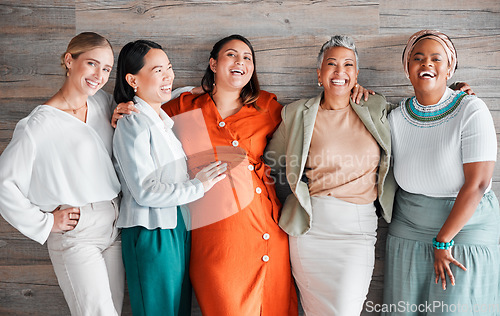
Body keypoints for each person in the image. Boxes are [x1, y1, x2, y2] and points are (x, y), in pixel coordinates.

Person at [157, 34, 298, 316]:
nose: (240, 62)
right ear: (213, 63)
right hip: (215, 237)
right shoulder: (183, 108)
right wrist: (124, 112)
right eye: (231, 55)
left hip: (263, 226)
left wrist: (355, 97)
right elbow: (145, 118)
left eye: (247, 58)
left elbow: (312, 121)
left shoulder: (266, 108)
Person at [265, 35, 396, 316]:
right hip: (311, 229)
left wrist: (455, 95)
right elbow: (268, 162)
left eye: (348, 65)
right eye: (332, 64)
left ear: (356, 74)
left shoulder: (376, 107)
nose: (340, 71)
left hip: (356, 231)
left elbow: (417, 118)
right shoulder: (296, 113)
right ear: (319, 73)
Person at [0, 32, 124, 315]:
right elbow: (3, 184)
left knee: (113, 310)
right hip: (76, 232)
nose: (99, 75)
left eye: (106, 69)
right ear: (70, 60)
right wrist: (45, 222)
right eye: (92, 64)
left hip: (114, 223)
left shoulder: (102, 104)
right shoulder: (38, 125)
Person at [383, 30, 499, 315]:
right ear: (407, 69)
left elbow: (478, 183)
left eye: (437, 58)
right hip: (408, 229)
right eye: (418, 58)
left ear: (450, 68)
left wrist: (443, 239)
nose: (427, 64)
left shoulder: (471, 109)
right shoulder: (395, 117)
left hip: (464, 230)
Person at [112, 40, 227, 316]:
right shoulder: (131, 122)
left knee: (177, 309)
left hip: (174, 227)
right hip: (150, 230)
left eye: (170, 68)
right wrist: (198, 186)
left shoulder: (159, 118)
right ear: (132, 79)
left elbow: (169, 92)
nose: (168, 76)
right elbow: (145, 191)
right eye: (158, 70)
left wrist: (190, 91)